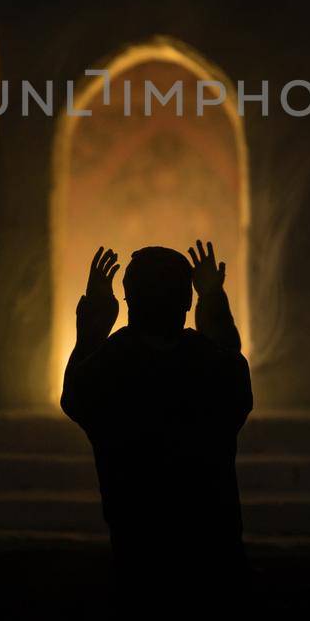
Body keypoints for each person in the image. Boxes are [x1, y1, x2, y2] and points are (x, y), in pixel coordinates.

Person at [60, 240, 253, 593]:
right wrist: (212, 299)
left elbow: (75, 396)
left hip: (138, 549)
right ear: (186, 302)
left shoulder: (110, 365)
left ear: (127, 301)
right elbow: (234, 367)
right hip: (213, 550)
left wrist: (92, 325)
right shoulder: (211, 365)